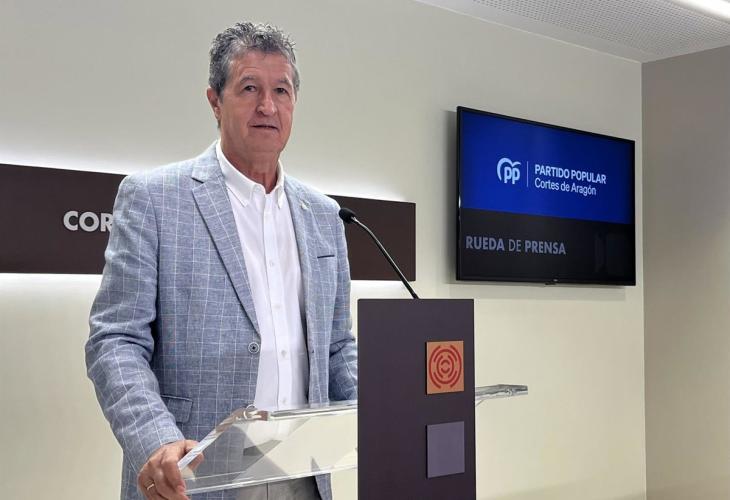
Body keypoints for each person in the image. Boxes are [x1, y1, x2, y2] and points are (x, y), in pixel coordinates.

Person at [85, 22, 357, 500]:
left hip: (304, 475)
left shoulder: (324, 215)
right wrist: (157, 440)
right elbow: (115, 340)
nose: (267, 106)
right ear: (215, 101)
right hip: (193, 477)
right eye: (249, 88)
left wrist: (387, 410)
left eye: (281, 90)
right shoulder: (154, 199)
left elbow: (337, 346)